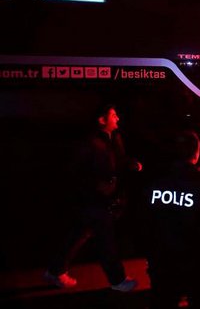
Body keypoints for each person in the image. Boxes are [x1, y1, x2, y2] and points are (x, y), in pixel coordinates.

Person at [44, 104, 141, 291]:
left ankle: (55, 270)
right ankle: (117, 280)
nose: (118, 118)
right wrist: (95, 186)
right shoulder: (89, 143)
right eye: (113, 115)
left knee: (78, 234)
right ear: (101, 119)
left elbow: (119, 161)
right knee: (106, 240)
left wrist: (131, 164)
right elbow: (75, 171)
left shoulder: (115, 138)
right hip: (93, 199)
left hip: (103, 197)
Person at [142, 130, 200, 308]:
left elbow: (145, 220)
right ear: (196, 153)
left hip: (163, 261)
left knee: (163, 301)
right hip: (199, 264)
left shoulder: (156, 182)